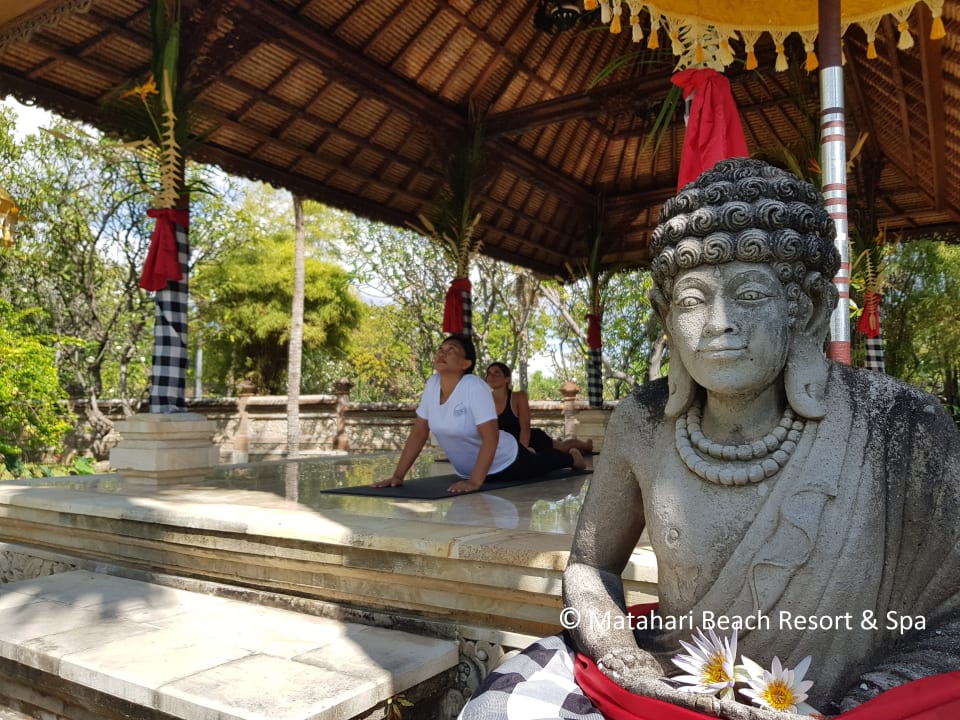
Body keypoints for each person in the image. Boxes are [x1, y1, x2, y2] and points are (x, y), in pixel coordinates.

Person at [458, 158, 960, 719]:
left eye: (750, 294)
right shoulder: (642, 422)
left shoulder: (899, 425)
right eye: (694, 300)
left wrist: (867, 698)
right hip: (678, 684)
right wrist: (622, 655)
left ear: (808, 308)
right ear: (666, 315)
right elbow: (590, 568)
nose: (719, 322)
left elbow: (954, 612)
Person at [373, 335, 585, 494]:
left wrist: (475, 482)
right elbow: (419, 433)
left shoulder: (473, 386)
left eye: (451, 350)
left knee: (541, 464)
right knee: (536, 461)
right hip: (466, 471)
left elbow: (491, 437)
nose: (442, 353)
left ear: (466, 363)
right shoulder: (432, 384)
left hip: (505, 460)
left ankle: (572, 457)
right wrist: (397, 476)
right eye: (440, 349)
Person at [485, 362, 594, 455]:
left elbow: (525, 428)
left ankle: (586, 445)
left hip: (529, 440)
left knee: (563, 448)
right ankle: (557, 441)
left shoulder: (518, 397)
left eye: (496, 373)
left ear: (507, 379)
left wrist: (521, 453)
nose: (491, 376)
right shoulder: (484, 399)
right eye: (489, 373)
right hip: (506, 446)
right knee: (557, 447)